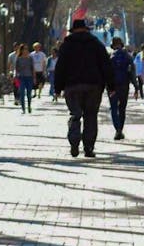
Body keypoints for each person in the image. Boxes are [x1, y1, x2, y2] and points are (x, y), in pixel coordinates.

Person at [51, 18, 112, 158]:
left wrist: (58, 88)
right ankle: (88, 147)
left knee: (75, 114)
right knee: (91, 116)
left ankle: (74, 142)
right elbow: (105, 65)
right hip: (93, 85)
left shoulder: (67, 45)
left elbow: (60, 67)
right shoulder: (96, 44)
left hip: (72, 85)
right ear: (86, 29)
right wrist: (111, 85)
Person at [107, 37, 134, 140]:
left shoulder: (110, 57)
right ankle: (120, 129)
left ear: (113, 45)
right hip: (124, 85)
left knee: (114, 108)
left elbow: (106, 72)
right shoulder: (127, 56)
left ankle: (117, 129)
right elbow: (132, 72)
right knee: (122, 108)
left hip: (112, 86)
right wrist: (136, 86)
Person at [14, 44, 36, 113]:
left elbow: (33, 68)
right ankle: (23, 108)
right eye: (24, 49)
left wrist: (34, 77)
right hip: (21, 77)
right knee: (22, 93)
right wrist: (16, 77)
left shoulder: (30, 58)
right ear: (21, 50)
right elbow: (16, 69)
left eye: (26, 49)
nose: (25, 50)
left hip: (29, 77)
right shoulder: (18, 58)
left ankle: (29, 106)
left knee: (29, 93)